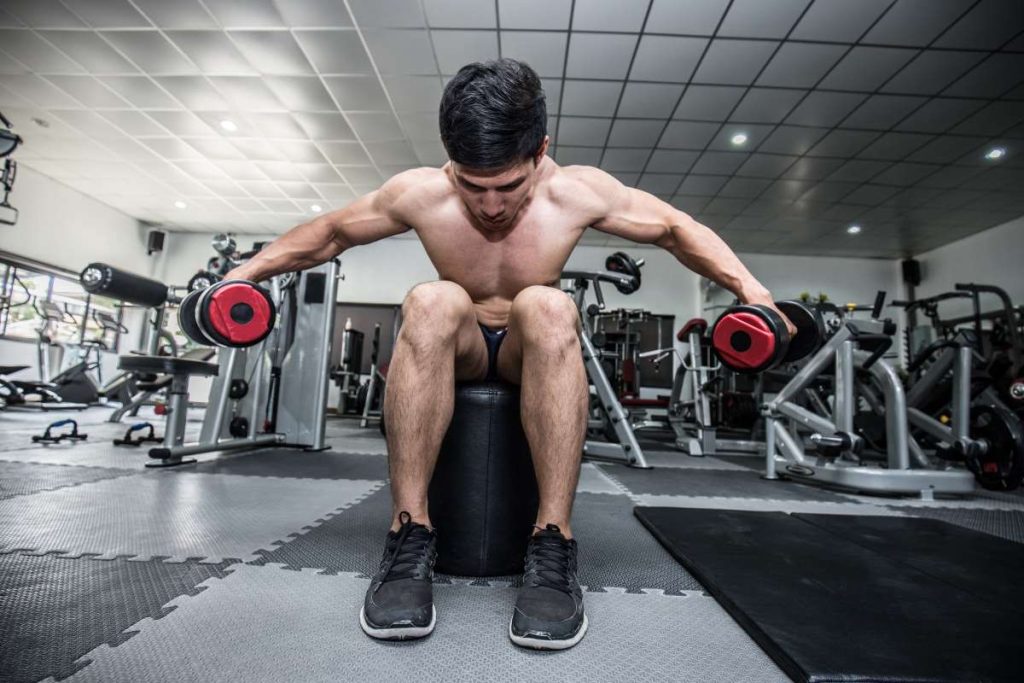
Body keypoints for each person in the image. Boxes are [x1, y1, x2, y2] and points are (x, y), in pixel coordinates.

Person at [225, 58, 793, 650]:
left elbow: (676, 229)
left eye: (509, 187)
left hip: (527, 347)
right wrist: (244, 274)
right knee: (430, 299)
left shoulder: (578, 192)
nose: (490, 207)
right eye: (472, 187)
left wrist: (753, 293)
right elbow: (332, 232)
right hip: (462, 343)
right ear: (450, 162)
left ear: (541, 149)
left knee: (547, 305)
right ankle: (409, 535)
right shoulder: (420, 193)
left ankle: (553, 541)